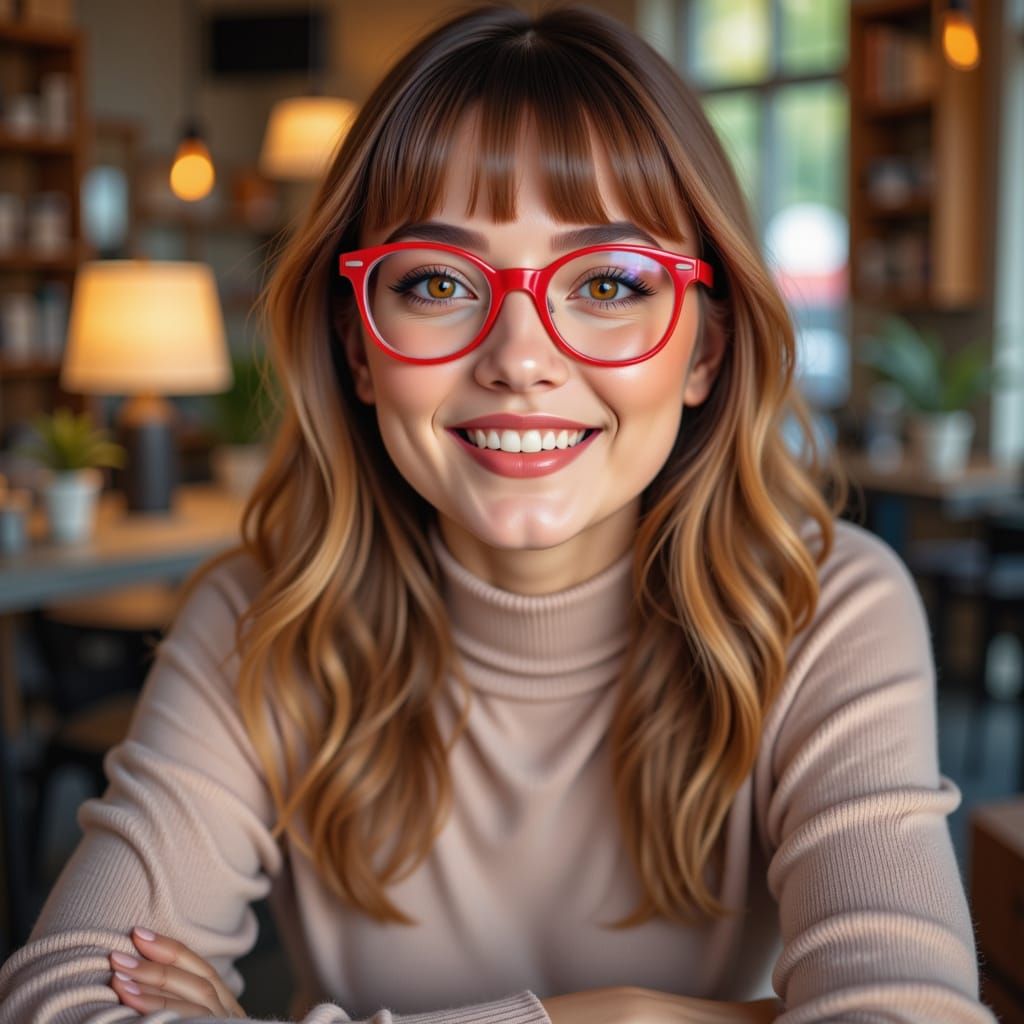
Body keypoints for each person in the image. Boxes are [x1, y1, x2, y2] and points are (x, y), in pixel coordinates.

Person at [0, 4, 995, 1023]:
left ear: (702, 349)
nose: (520, 358)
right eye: (437, 281)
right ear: (358, 346)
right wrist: (613, 1018)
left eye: (609, 281)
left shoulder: (823, 611)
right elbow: (66, 1001)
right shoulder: (259, 618)